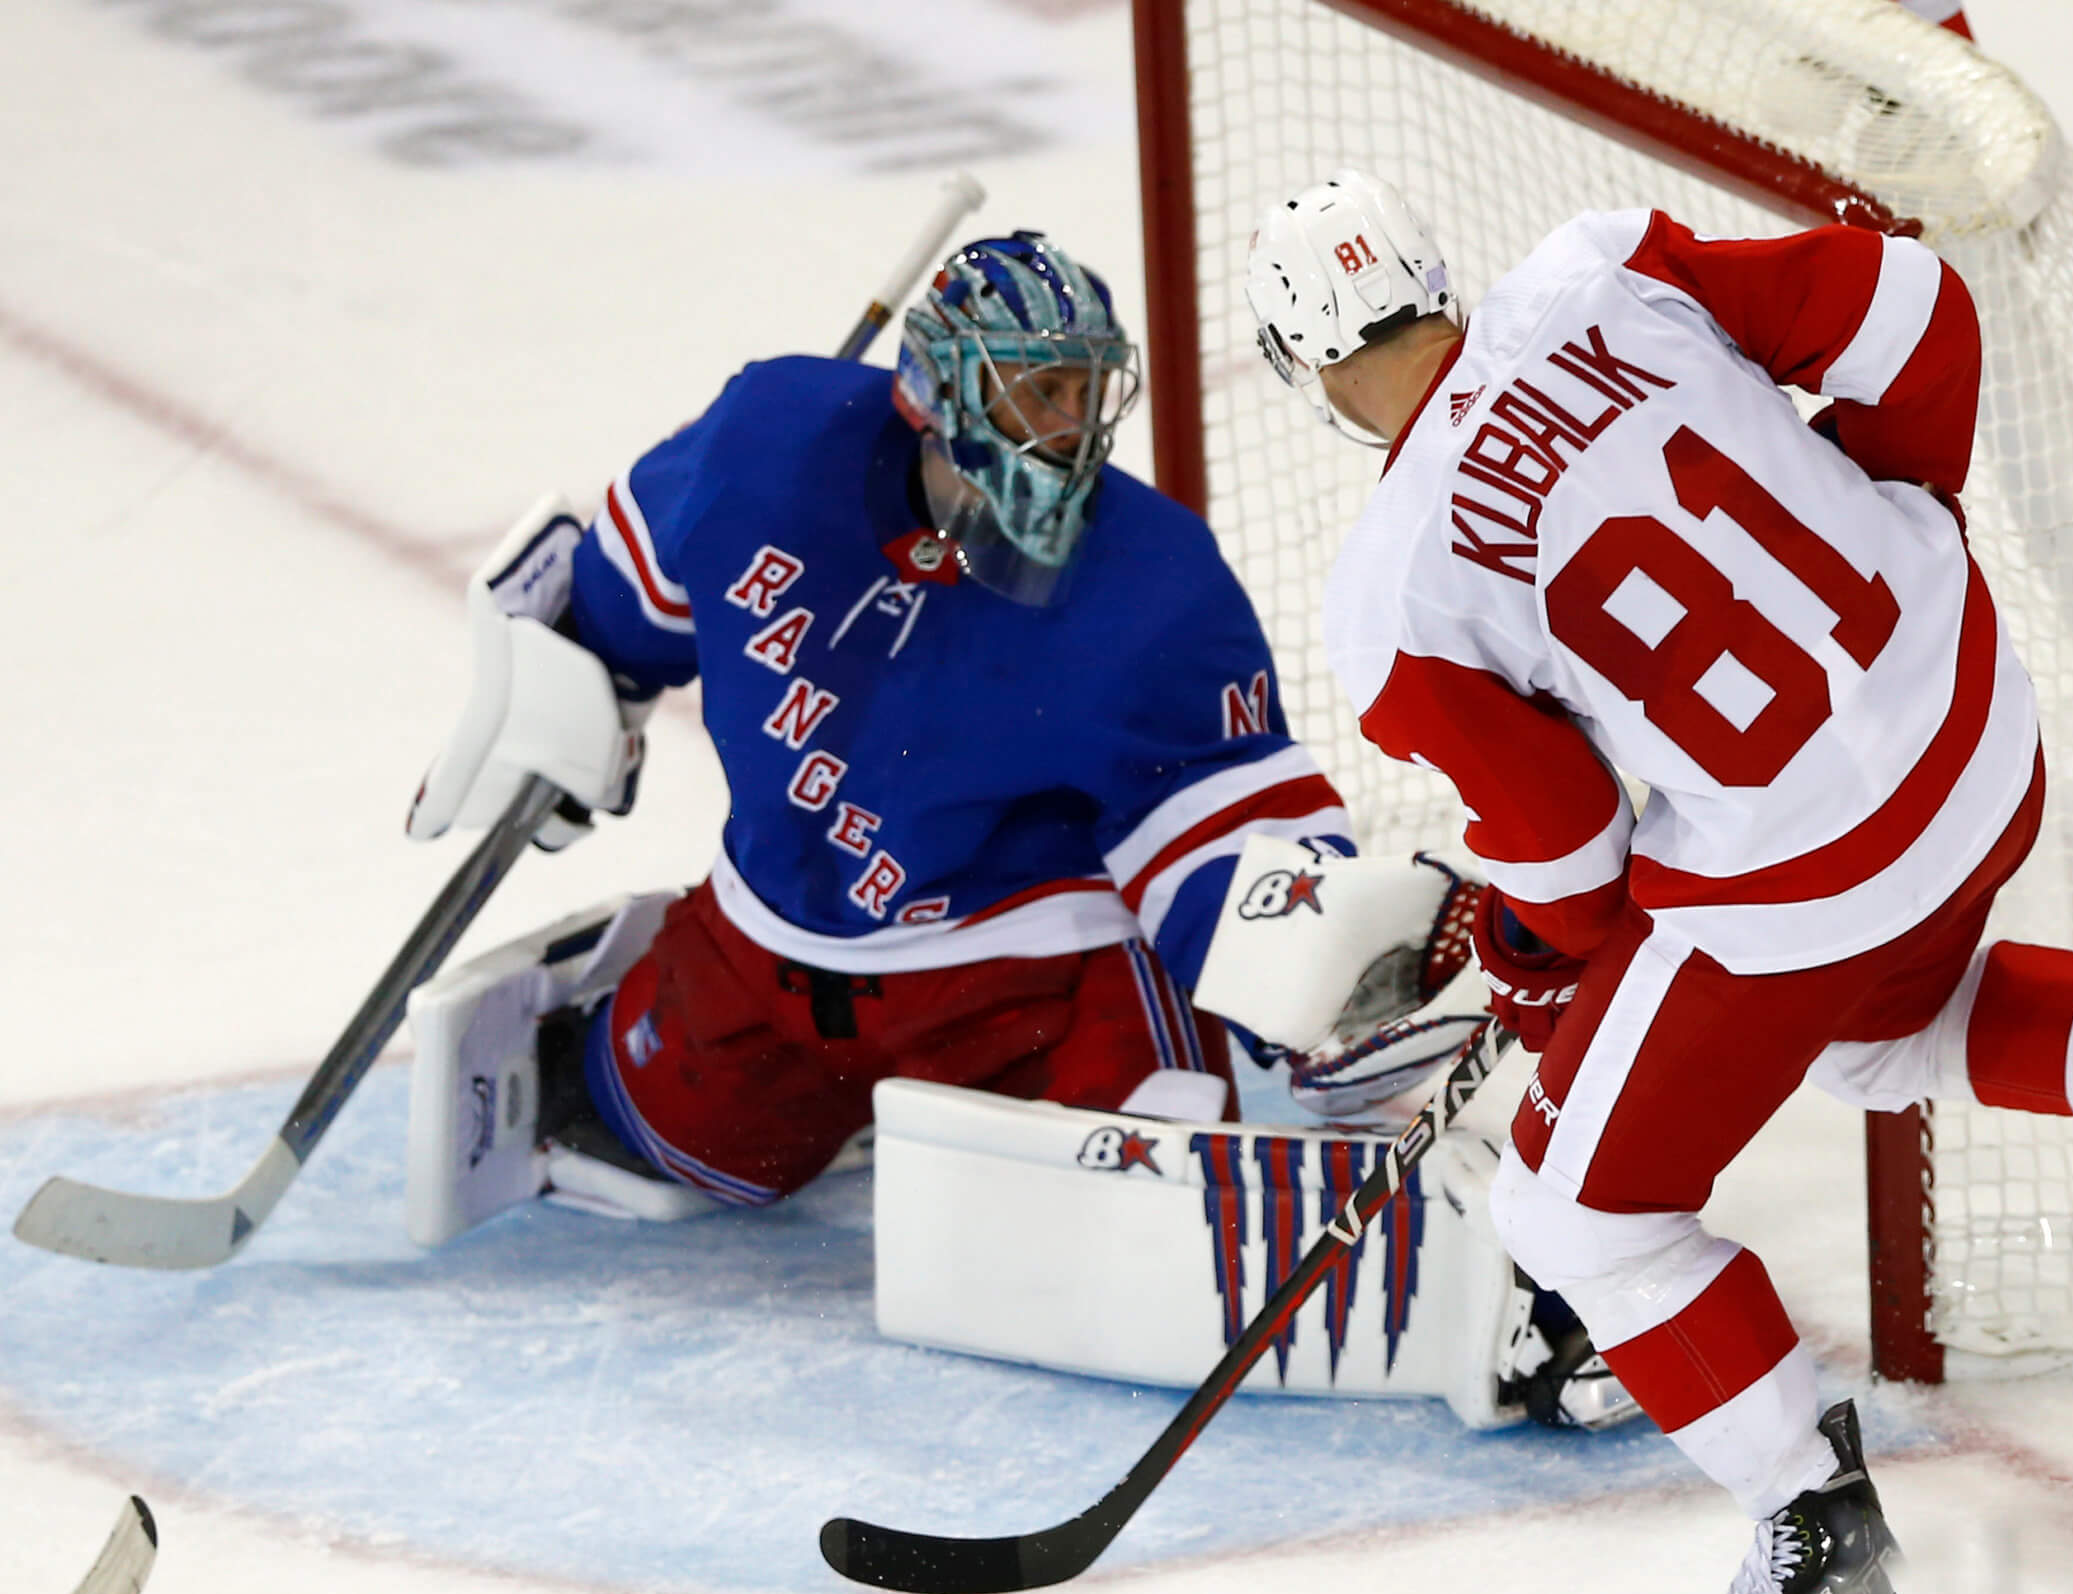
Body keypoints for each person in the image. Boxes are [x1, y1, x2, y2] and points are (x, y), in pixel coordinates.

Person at [1242, 171, 2073, 1594]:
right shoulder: (1601, 268)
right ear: (1437, 276)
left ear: (1306, 371)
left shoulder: (1394, 597)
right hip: (1974, 717)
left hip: (1807, 866)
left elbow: (1560, 847)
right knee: (1880, 1035)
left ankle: (1815, 1538)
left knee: (1572, 1205)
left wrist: (1533, 962)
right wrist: (1905, 513)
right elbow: (1915, 309)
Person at [404, 230, 1368, 1211]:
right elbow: (619, 599)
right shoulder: (766, 447)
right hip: (774, 944)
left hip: (1020, 974)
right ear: (933, 394)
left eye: (1086, 390)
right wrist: (566, 696)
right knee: (629, 1134)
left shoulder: (1153, 584)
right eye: (1037, 392)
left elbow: (1228, 851)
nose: (1070, 429)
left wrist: (1332, 990)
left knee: (1136, 1210)